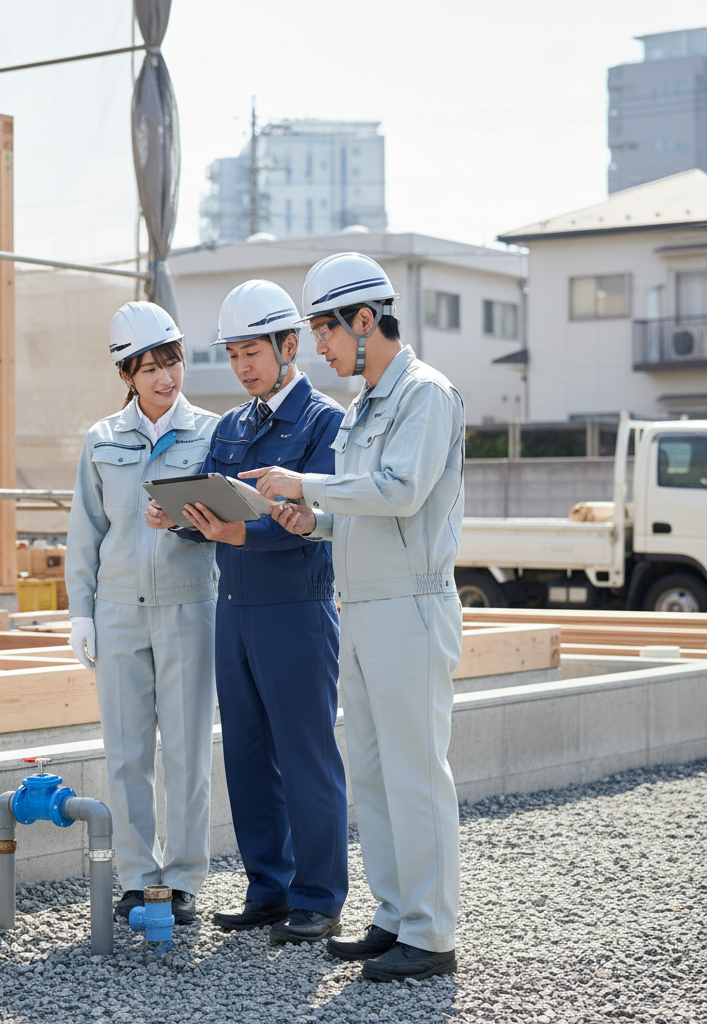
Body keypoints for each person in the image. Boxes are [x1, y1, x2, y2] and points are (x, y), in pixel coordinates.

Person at [245, 252, 465, 981]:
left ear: (365, 320)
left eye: (326, 331)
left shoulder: (426, 394)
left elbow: (400, 492)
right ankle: (395, 915)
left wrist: (306, 484)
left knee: (415, 774)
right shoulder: (367, 405)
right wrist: (311, 520)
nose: (319, 347)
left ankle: (431, 933)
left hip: (411, 605)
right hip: (365, 606)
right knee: (372, 774)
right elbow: (358, 511)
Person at [147, 279, 349, 944]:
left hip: (296, 609)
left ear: (290, 346)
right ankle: (269, 887)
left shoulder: (324, 422)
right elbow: (212, 509)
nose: (242, 367)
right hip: (232, 609)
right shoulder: (231, 428)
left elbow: (318, 518)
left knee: (306, 754)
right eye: (232, 354)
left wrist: (241, 533)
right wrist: (177, 517)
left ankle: (318, 895)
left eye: (252, 352)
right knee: (247, 754)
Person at [65, 300, 220, 926]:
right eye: (149, 367)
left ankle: (181, 879)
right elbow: (86, 532)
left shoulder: (212, 434)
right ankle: (136, 876)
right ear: (126, 374)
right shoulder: (101, 440)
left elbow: (226, 525)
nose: (165, 377)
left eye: (172, 362)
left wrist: (184, 522)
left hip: (189, 608)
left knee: (187, 751)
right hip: (118, 612)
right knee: (126, 750)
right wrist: (81, 613)